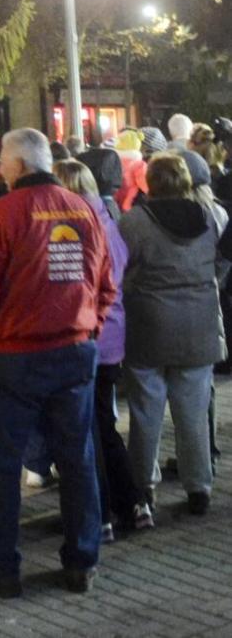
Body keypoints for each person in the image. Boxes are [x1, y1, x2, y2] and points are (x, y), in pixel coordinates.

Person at [0, 128, 114, 597]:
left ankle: (1, 567)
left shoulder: (1, 214)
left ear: (20, 165)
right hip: (74, 351)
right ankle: (81, 562)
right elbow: (105, 281)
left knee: (3, 465)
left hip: (17, 357)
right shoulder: (84, 208)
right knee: (77, 458)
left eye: (2, 161)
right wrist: (90, 326)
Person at [119, 152, 226, 516]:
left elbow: (120, 270)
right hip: (199, 327)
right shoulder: (211, 217)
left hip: (148, 326)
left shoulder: (133, 222)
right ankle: (199, 486)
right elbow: (220, 264)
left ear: (150, 181)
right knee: (194, 413)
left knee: (145, 412)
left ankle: (142, 487)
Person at [53, 158, 147, 537]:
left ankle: (102, 512)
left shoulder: (71, 227)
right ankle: (133, 502)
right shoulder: (107, 220)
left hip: (85, 336)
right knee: (102, 424)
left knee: (84, 430)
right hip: (112, 338)